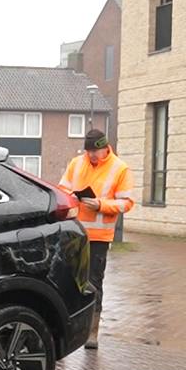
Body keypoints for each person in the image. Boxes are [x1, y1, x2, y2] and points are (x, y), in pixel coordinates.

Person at [57, 128, 136, 348]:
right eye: (88, 150)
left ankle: (92, 332)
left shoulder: (120, 169)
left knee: (93, 283)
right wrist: (72, 196)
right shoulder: (77, 163)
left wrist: (101, 205)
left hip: (99, 237)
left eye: (95, 151)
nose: (91, 155)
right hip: (74, 231)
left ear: (105, 147)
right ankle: (65, 328)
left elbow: (126, 203)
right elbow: (63, 188)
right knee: (66, 279)